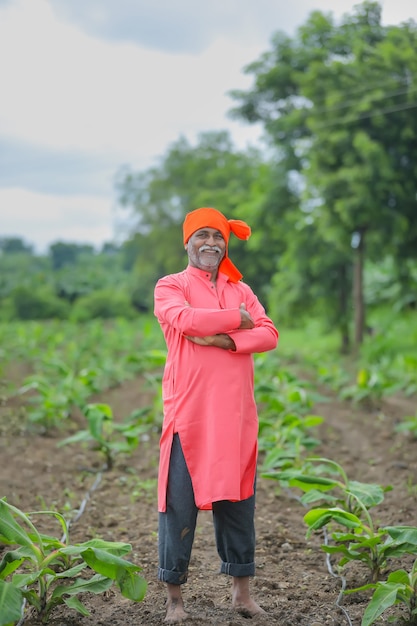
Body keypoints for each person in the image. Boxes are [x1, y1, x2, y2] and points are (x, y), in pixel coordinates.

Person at [154, 207, 279, 623]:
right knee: (178, 508)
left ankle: (241, 594)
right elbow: (184, 319)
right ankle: (175, 601)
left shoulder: (240, 287)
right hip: (189, 418)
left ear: (226, 243)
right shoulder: (170, 285)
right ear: (187, 241)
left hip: (236, 419)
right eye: (202, 235)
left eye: (218, 236)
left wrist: (223, 340)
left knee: (240, 506)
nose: (211, 243)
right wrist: (239, 322)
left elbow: (270, 334)